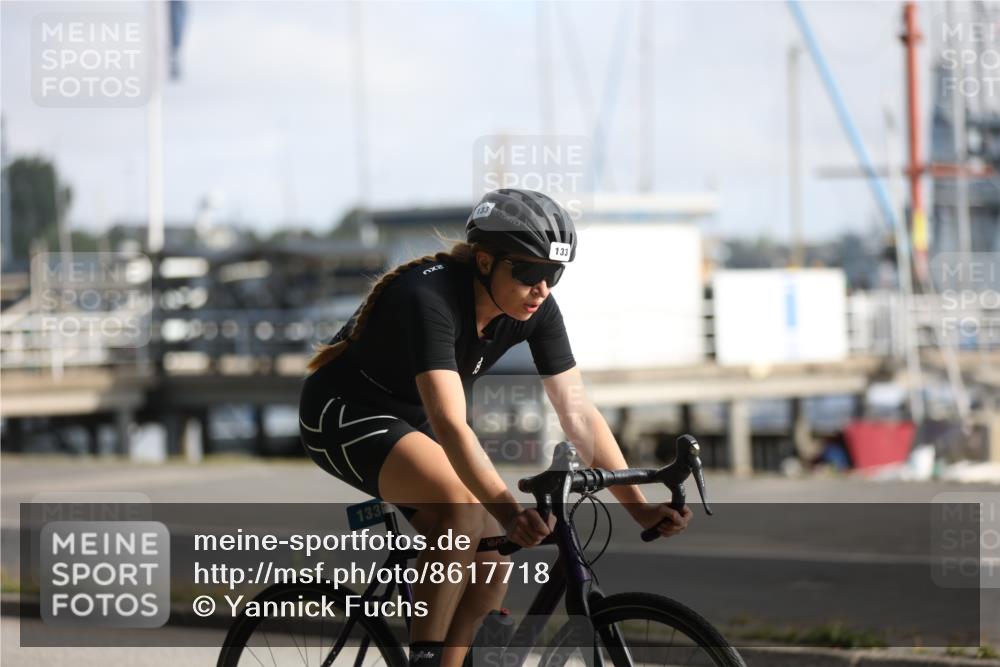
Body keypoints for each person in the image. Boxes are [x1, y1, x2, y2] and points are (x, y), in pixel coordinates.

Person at [298, 188, 692, 667]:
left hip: (411, 415)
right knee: (463, 514)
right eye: (529, 272)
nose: (542, 288)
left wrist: (640, 509)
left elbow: (578, 413)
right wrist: (508, 510)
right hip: (344, 413)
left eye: (554, 275)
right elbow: (451, 423)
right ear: (485, 261)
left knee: (493, 551)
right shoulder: (429, 296)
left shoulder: (537, 309)